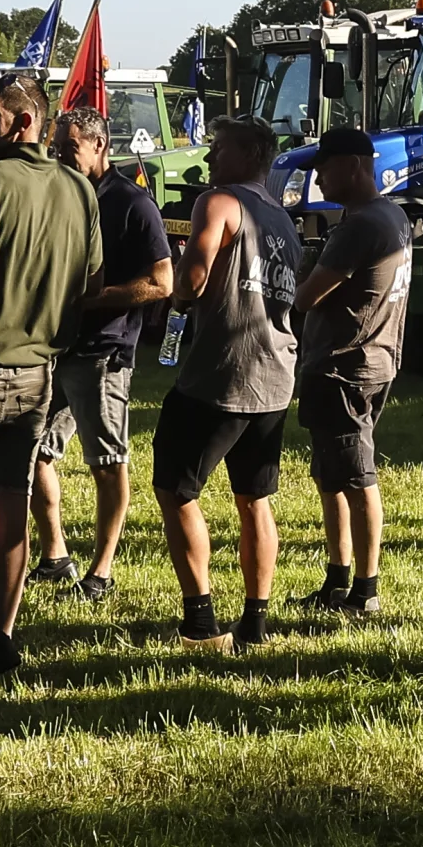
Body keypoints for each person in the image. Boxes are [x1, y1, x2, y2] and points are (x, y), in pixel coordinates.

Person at [0, 73, 99, 680]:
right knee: (12, 503)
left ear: (22, 120)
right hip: (40, 370)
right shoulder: (80, 189)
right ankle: (2, 635)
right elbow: (89, 284)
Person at [157, 113, 300, 652]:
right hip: (275, 375)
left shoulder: (217, 203)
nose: (209, 159)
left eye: (218, 149)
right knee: (253, 497)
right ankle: (255, 623)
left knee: (175, 489)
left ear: (244, 155)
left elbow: (192, 278)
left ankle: (200, 622)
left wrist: (176, 294)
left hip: (222, 374)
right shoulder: (281, 219)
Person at [52, 104, 174, 607]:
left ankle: (101, 571)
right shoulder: (60, 194)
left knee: (106, 461)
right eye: (55, 149)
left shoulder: (131, 203)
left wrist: (92, 299)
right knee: (36, 453)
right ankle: (56, 555)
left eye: (69, 149)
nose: (60, 157)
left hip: (104, 351)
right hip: (52, 347)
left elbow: (162, 282)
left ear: (100, 145)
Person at [292, 125, 412, 617]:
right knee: (332, 475)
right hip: (373, 359)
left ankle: (366, 589)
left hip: (346, 366)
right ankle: (338, 578)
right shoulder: (392, 215)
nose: (317, 176)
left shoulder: (360, 226)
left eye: (324, 166)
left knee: (358, 478)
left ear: (354, 166)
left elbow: (305, 296)